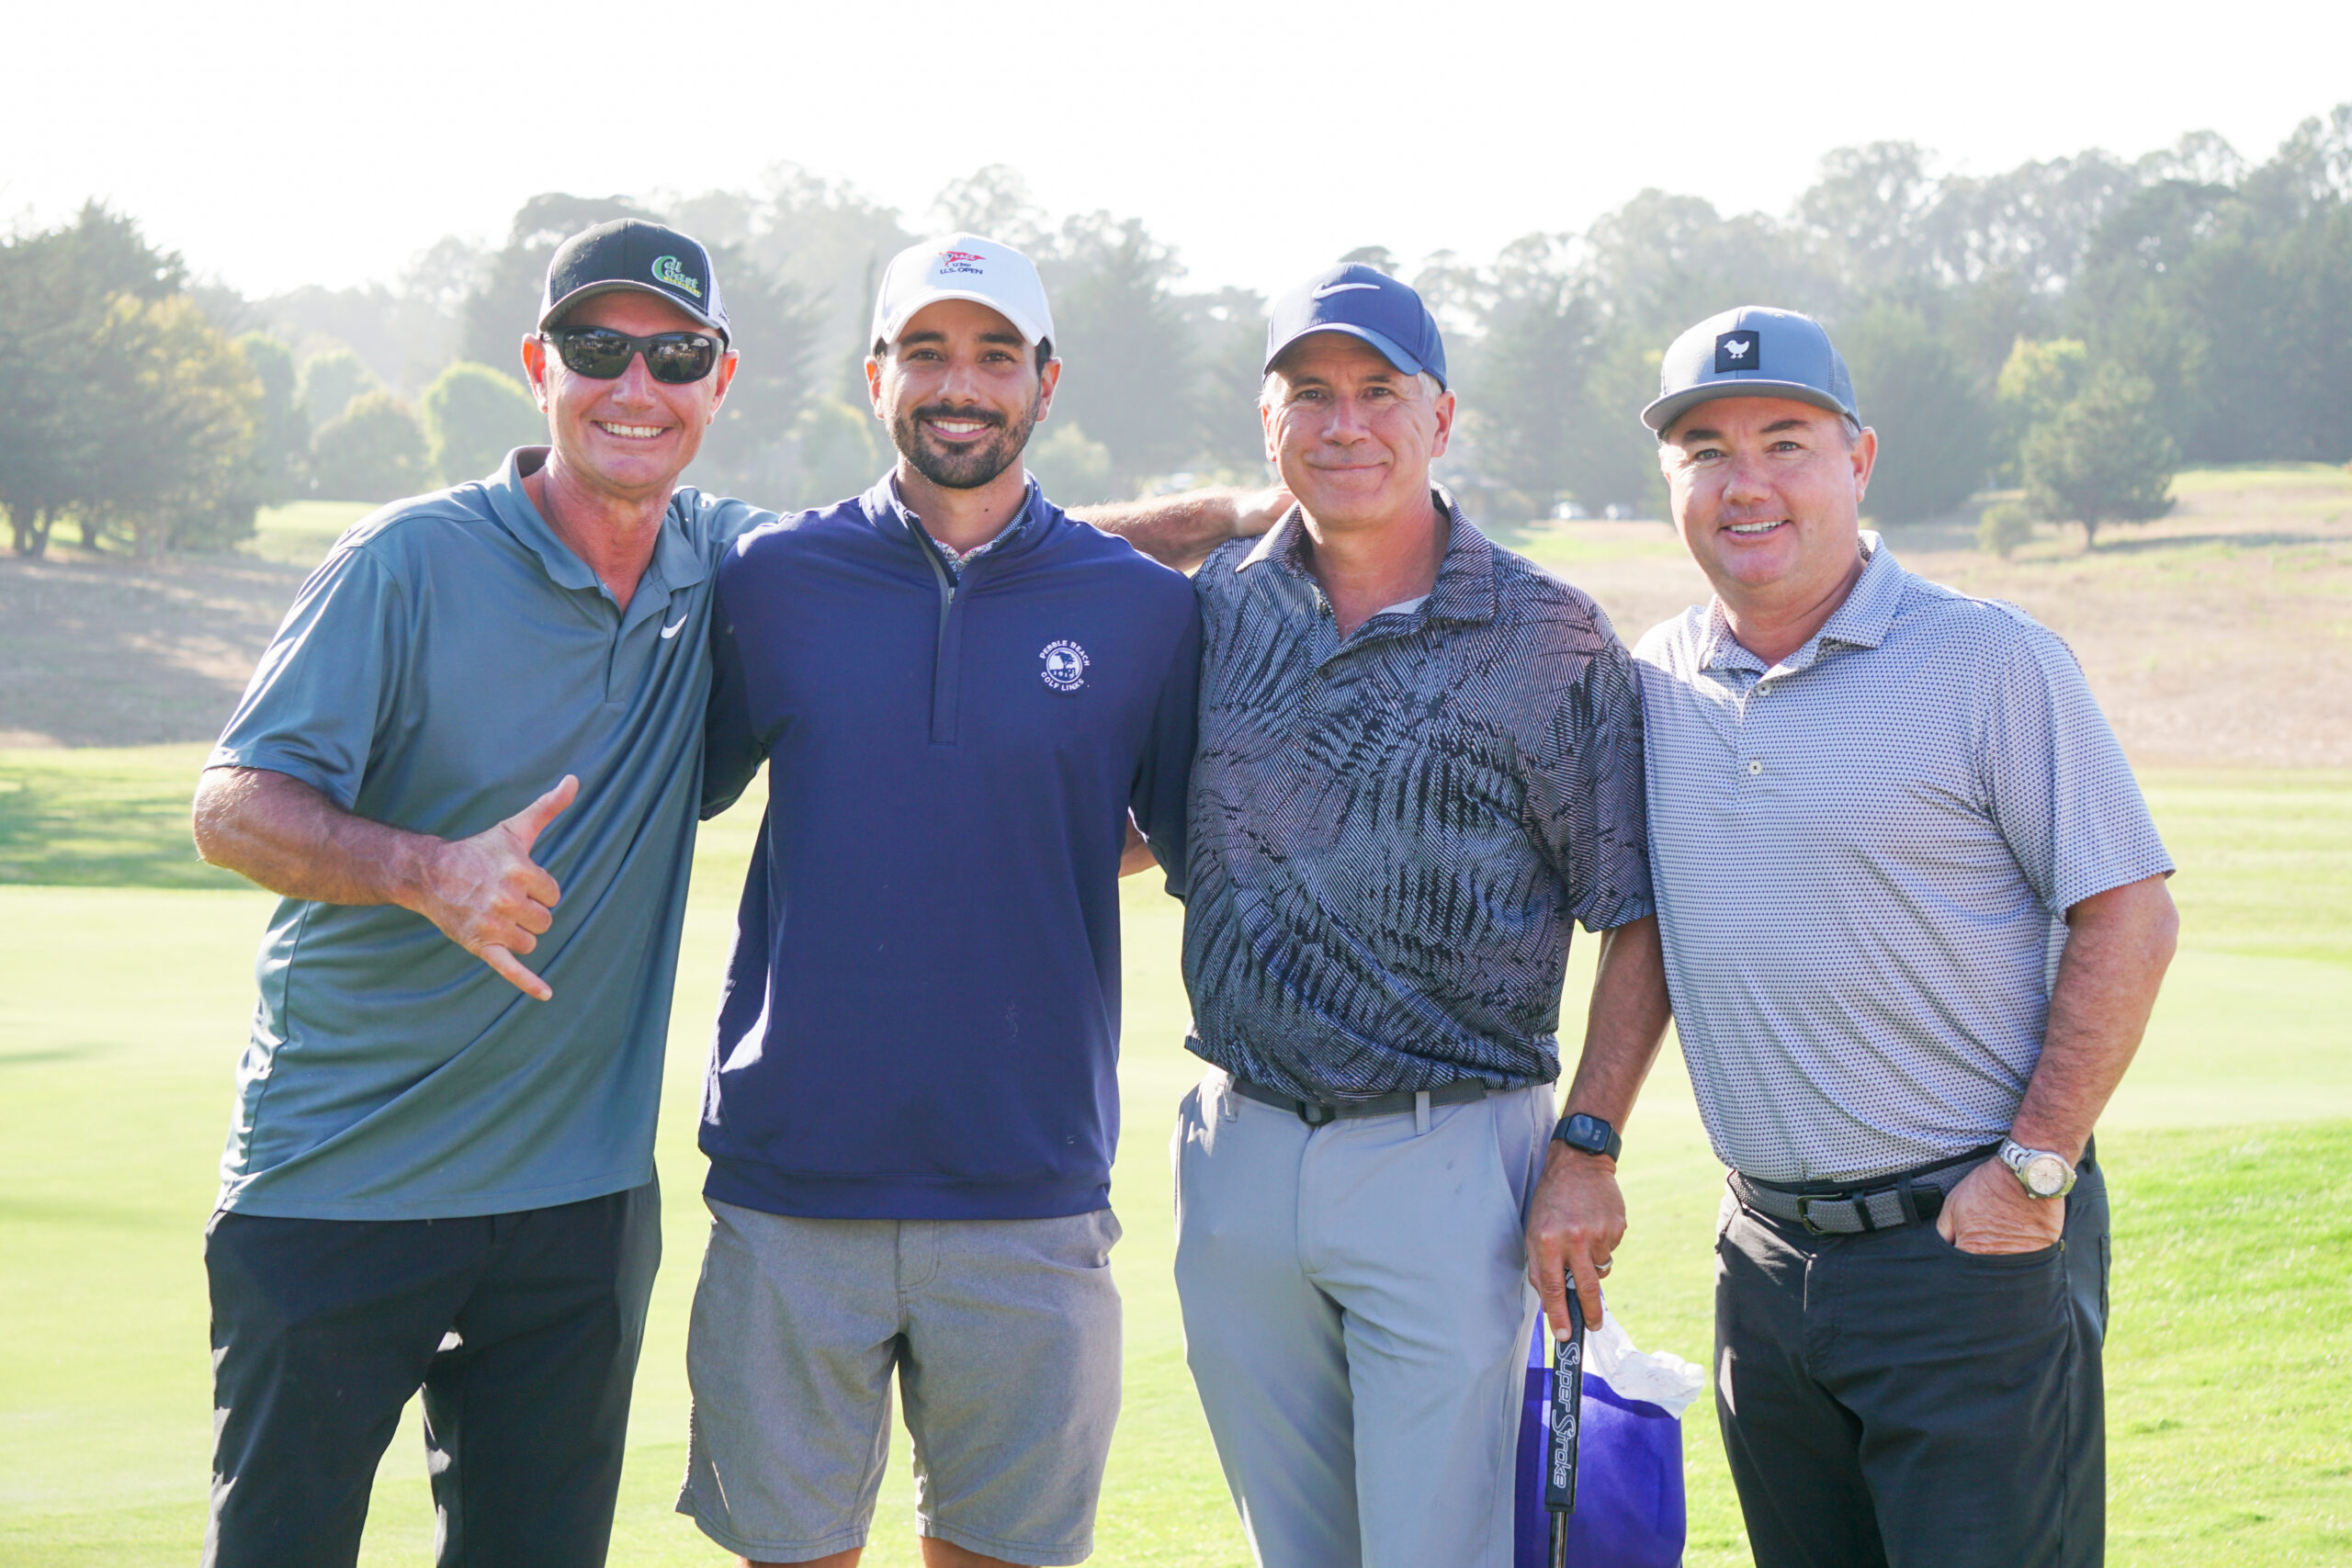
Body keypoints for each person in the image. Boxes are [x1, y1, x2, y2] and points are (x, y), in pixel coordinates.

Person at [189, 219, 1272, 1568]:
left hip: (593, 1206)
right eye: (598, 349)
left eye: (674, 354)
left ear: (720, 378)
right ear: (539, 365)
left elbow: (985, 567)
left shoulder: (744, 563)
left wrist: (1230, 516)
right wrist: (429, 872)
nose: (635, 384)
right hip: (363, 1184)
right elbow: (229, 806)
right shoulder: (474, 563)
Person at [1538, 304, 2180, 1568]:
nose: (1747, 483)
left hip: (1969, 1252)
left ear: (1859, 460)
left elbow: (2129, 912)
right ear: (1670, 480)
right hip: (1765, 1265)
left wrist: (2036, 1166)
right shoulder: (1654, 679)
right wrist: (1588, 1140)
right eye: (1707, 451)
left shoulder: (1989, 660)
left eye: (1786, 442)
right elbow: (1655, 928)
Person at [676, 232, 1202, 1568]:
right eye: (926, 351)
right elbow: (682, 791)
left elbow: (1183, 836)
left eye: (993, 355)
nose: (959, 384)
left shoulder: (1144, 610)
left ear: (1045, 381)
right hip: (795, 1180)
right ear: (876, 376)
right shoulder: (772, 581)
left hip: (1030, 1185)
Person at [1170, 264, 1672, 1568]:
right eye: (1309, 394)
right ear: (1267, 422)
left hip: (1452, 1159)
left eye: (1378, 392)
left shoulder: (1549, 640)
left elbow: (1636, 913)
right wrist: (1215, 513)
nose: (1344, 424)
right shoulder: (1212, 608)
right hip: (1239, 1156)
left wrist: (1589, 1145)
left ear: (1440, 418)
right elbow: (1023, 549)